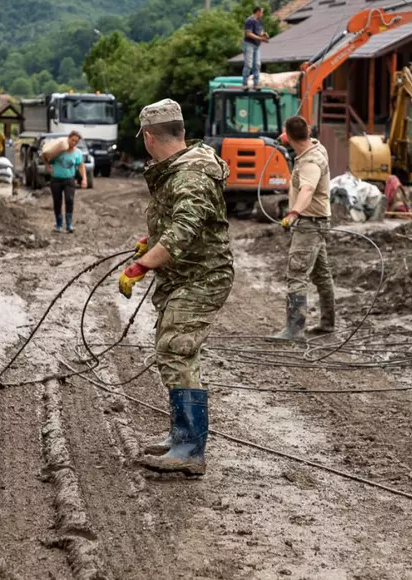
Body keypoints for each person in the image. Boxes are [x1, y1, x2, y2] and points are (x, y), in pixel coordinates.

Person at [117, 98, 234, 476]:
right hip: (186, 275)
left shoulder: (189, 174)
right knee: (178, 350)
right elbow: (180, 221)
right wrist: (149, 242)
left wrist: (140, 266)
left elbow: (184, 230)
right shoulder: (185, 166)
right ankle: (181, 436)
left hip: (201, 277)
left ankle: (188, 449)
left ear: (150, 137)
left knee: (176, 350)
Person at [271, 115, 335, 341]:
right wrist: (286, 139)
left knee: (297, 274)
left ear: (289, 136)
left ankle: (294, 330)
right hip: (319, 221)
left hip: (309, 223)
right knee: (321, 274)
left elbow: (307, 190)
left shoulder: (310, 163)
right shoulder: (317, 147)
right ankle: (328, 324)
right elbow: (301, 138)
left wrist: (293, 213)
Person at [45, 131, 86, 233]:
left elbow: (81, 166)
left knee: (69, 200)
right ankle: (59, 225)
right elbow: (46, 156)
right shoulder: (59, 150)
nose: (74, 143)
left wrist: (84, 178)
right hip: (56, 180)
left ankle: (69, 224)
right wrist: (48, 166)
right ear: (68, 138)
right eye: (72, 140)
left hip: (69, 180)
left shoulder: (78, 153)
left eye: (76, 141)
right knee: (57, 202)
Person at [242, 6, 269, 89]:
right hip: (249, 44)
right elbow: (248, 34)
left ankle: (256, 84)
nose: (262, 14)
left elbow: (260, 31)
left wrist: (263, 34)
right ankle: (245, 83)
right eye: (262, 12)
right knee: (248, 64)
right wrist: (261, 38)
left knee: (257, 64)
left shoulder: (259, 21)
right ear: (257, 12)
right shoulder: (249, 20)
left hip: (257, 45)